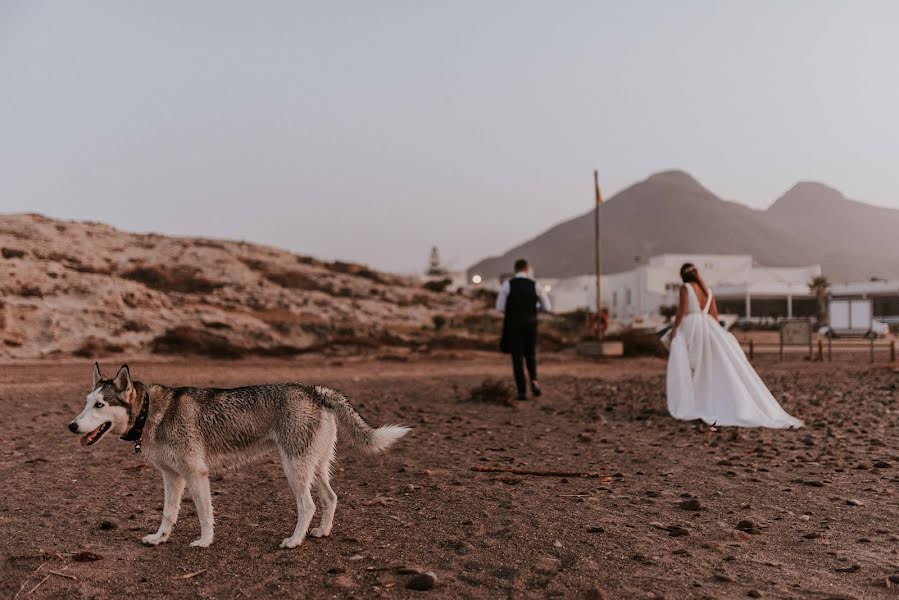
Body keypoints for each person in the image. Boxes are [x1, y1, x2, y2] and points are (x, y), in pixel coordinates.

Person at [667, 263, 802, 428]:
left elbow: (681, 312)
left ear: (683, 276)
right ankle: (709, 400)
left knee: (690, 366)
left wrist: (674, 329)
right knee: (709, 367)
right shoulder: (708, 291)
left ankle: (691, 401)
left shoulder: (685, 288)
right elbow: (715, 316)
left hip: (692, 327)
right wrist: (717, 333)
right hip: (709, 327)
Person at [496, 259, 552, 400]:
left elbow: (500, 308)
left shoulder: (507, 285)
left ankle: (522, 391)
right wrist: (534, 308)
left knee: (517, 358)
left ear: (515, 270)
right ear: (527, 269)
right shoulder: (535, 285)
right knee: (530, 354)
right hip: (531, 324)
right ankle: (534, 380)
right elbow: (547, 307)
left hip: (514, 325)